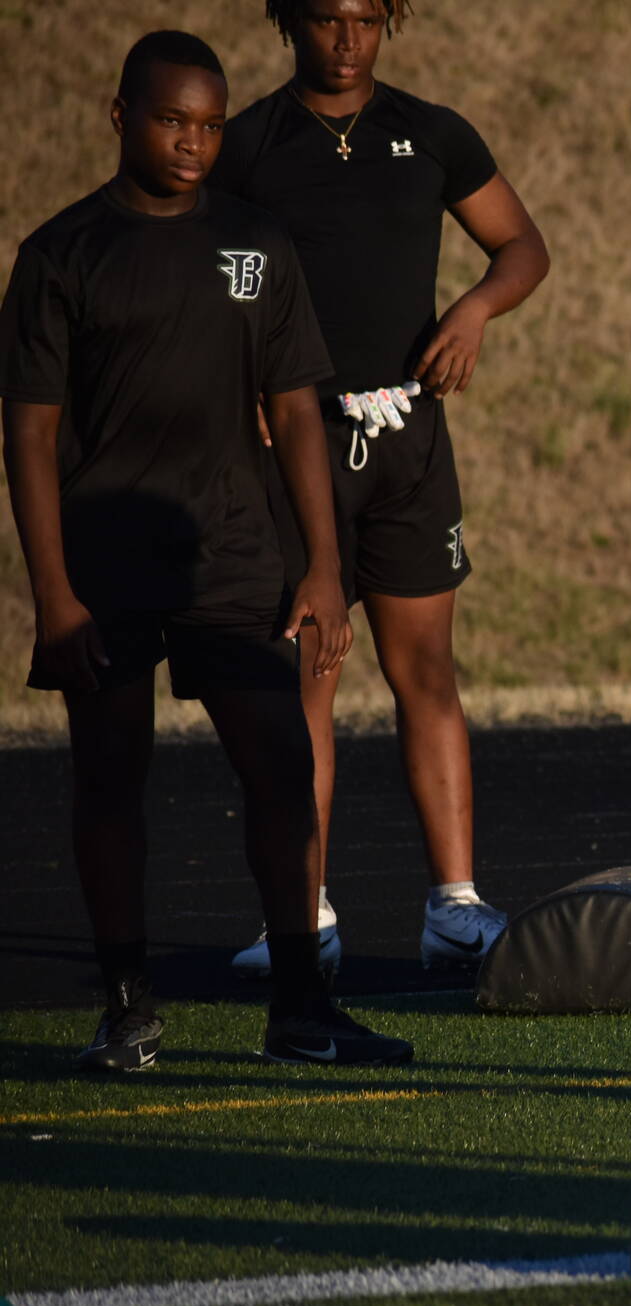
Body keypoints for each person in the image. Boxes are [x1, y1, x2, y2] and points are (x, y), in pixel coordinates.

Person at [0, 30, 413, 1068]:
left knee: (280, 763)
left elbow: (299, 412)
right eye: (172, 121)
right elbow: (30, 433)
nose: (192, 142)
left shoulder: (255, 244)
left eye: (210, 125)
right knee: (109, 779)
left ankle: (300, 1006)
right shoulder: (62, 255)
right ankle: (129, 1003)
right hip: (104, 562)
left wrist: (322, 565)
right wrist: (51, 594)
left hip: (233, 552)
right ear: (120, 118)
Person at [210, 0, 549, 978]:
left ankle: (455, 907)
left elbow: (521, 247)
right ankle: (302, 918)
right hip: (297, 447)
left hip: (407, 440)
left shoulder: (431, 132)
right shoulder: (247, 146)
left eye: (366, 17)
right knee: (307, 678)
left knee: (427, 674)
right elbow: (205, 278)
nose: (346, 38)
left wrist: (477, 310)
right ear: (288, 21)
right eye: (324, 17)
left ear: (389, 20)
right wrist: (248, 389)